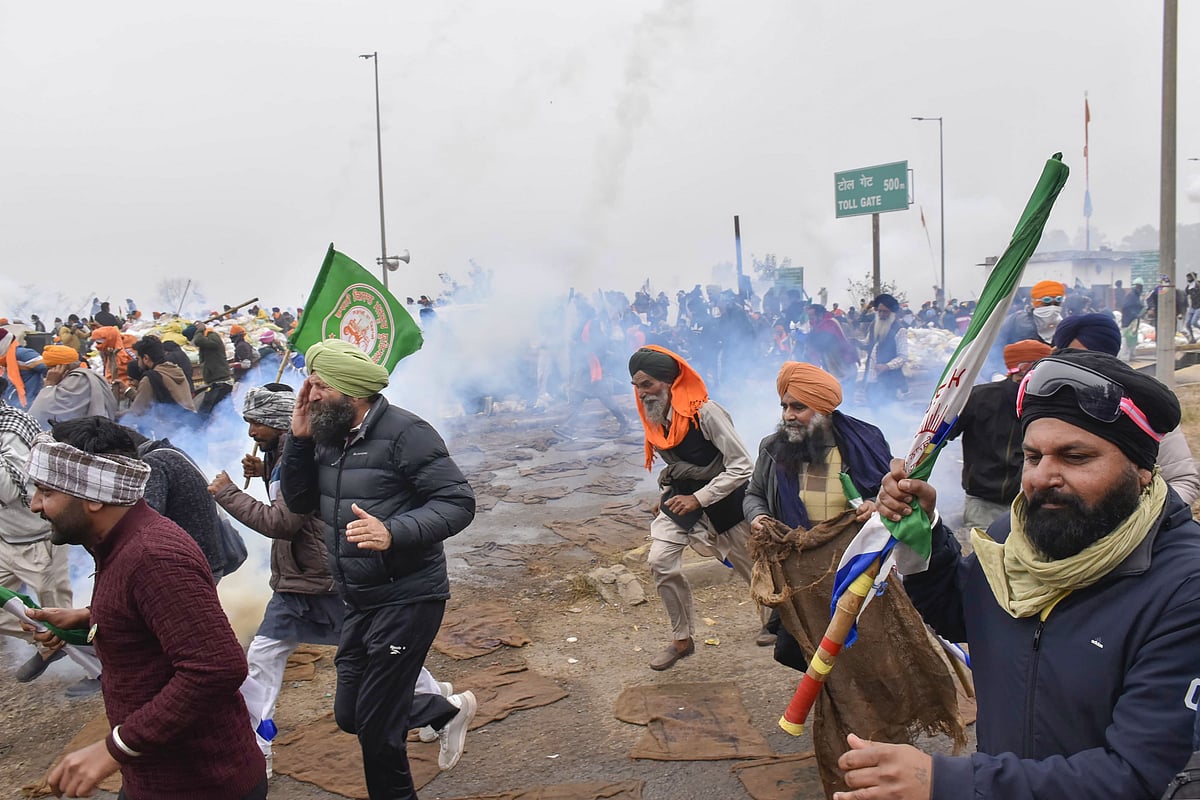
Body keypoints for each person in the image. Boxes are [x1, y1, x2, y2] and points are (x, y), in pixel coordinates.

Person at [840, 350, 1200, 799]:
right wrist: (922, 531)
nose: (1043, 476)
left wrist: (946, 782)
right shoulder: (1016, 537)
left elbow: (1135, 775)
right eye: (1033, 456)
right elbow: (962, 613)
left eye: (1075, 456)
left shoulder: (1184, 590)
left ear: (1142, 470)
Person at [25, 416, 266, 799]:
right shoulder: (119, 544)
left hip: (201, 785)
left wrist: (114, 749)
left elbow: (216, 668)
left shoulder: (152, 555)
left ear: (93, 495)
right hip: (161, 777)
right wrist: (90, 618)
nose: (37, 505)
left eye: (46, 492)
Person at [280, 338, 476, 798]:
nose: (309, 393)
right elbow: (300, 501)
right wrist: (298, 439)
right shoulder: (327, 432)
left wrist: (393, 531)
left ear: (352, 393)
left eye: (320, 385)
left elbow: (458, 502)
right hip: (358, 598)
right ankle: (444, 710)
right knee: (351, 715)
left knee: (377, 731)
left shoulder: (408, 433)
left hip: (408, 596)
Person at [743, 361, 892, 669]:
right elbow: (753, 495)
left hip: (854, 566)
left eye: (799, 407)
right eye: (784, 406)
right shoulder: (772, 448)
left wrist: (873, 504)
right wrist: (758, 517)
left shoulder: (866, 441)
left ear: (824, 409)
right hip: (799, 569)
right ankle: (834, 695)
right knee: (792, 650)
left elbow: (888, 493)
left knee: (858, 648)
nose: (788, 416)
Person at [627, 345, 766, 670]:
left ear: (669, 381)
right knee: (660, 562)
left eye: (647, 384)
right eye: (636, 386)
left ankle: (774, 624)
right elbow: (677, 468)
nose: (641, 393)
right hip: (680, 502)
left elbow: (742, 466)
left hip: (726, 503)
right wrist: (665, 497)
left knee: (754, 570)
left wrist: (699, 498)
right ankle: (682, 639)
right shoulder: (655, 418)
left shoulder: (706, 412)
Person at [1052, 312, 1200, 505]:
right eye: (1070, 357)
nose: (1081, 367)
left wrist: (1137, 522)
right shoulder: (1046, 404)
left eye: (1090, 358)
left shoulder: (1144, 404)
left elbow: (1183, 481)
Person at [0, 376, 80, 690]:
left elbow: (11, 488)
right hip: (7, 538)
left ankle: (95, 670)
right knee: (51, 623)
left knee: (64, 617)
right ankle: (47, 638)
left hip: (39, 537)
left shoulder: (12, 430)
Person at [945, 339, 1052, 531]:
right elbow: (941, 434)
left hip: (1032, 501)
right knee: (986, 556)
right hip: (983, 502)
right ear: (1023, 369)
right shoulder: (980, 398)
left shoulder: (1047, 404)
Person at [27, 344, 117, 427]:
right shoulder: (90, 374)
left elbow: (41, 414)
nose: (48, 373)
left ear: (59, 368)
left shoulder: (77, 380)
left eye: (49, 368)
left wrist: (49, 385)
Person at [121, 336, 197, 427]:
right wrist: (128, 391)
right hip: (191, 424)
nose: (137, 363)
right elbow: (148, 398)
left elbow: (137, 411)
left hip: (172, 431)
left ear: (145, 358)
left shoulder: (150, 378)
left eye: (138, 359)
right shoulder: (175, 369)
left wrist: (112, 415)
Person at [861, 293, 908, 403]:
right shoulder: (873, 325)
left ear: (892, 313)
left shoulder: (900, 330)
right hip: (871, 377)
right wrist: (856, 343)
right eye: (880, 311)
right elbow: (868, 343)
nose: (881, 314)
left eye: (885, 312)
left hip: (889, 379)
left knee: (887, 408)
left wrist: (887, 366)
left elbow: (903, 356)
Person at [187, 321, 234, 416]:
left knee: (206, 411)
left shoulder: (212, 336)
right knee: (224, 410)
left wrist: (200, 329)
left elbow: (198, 341)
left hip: (220, 382)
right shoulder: (206, 342)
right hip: (215, 381)